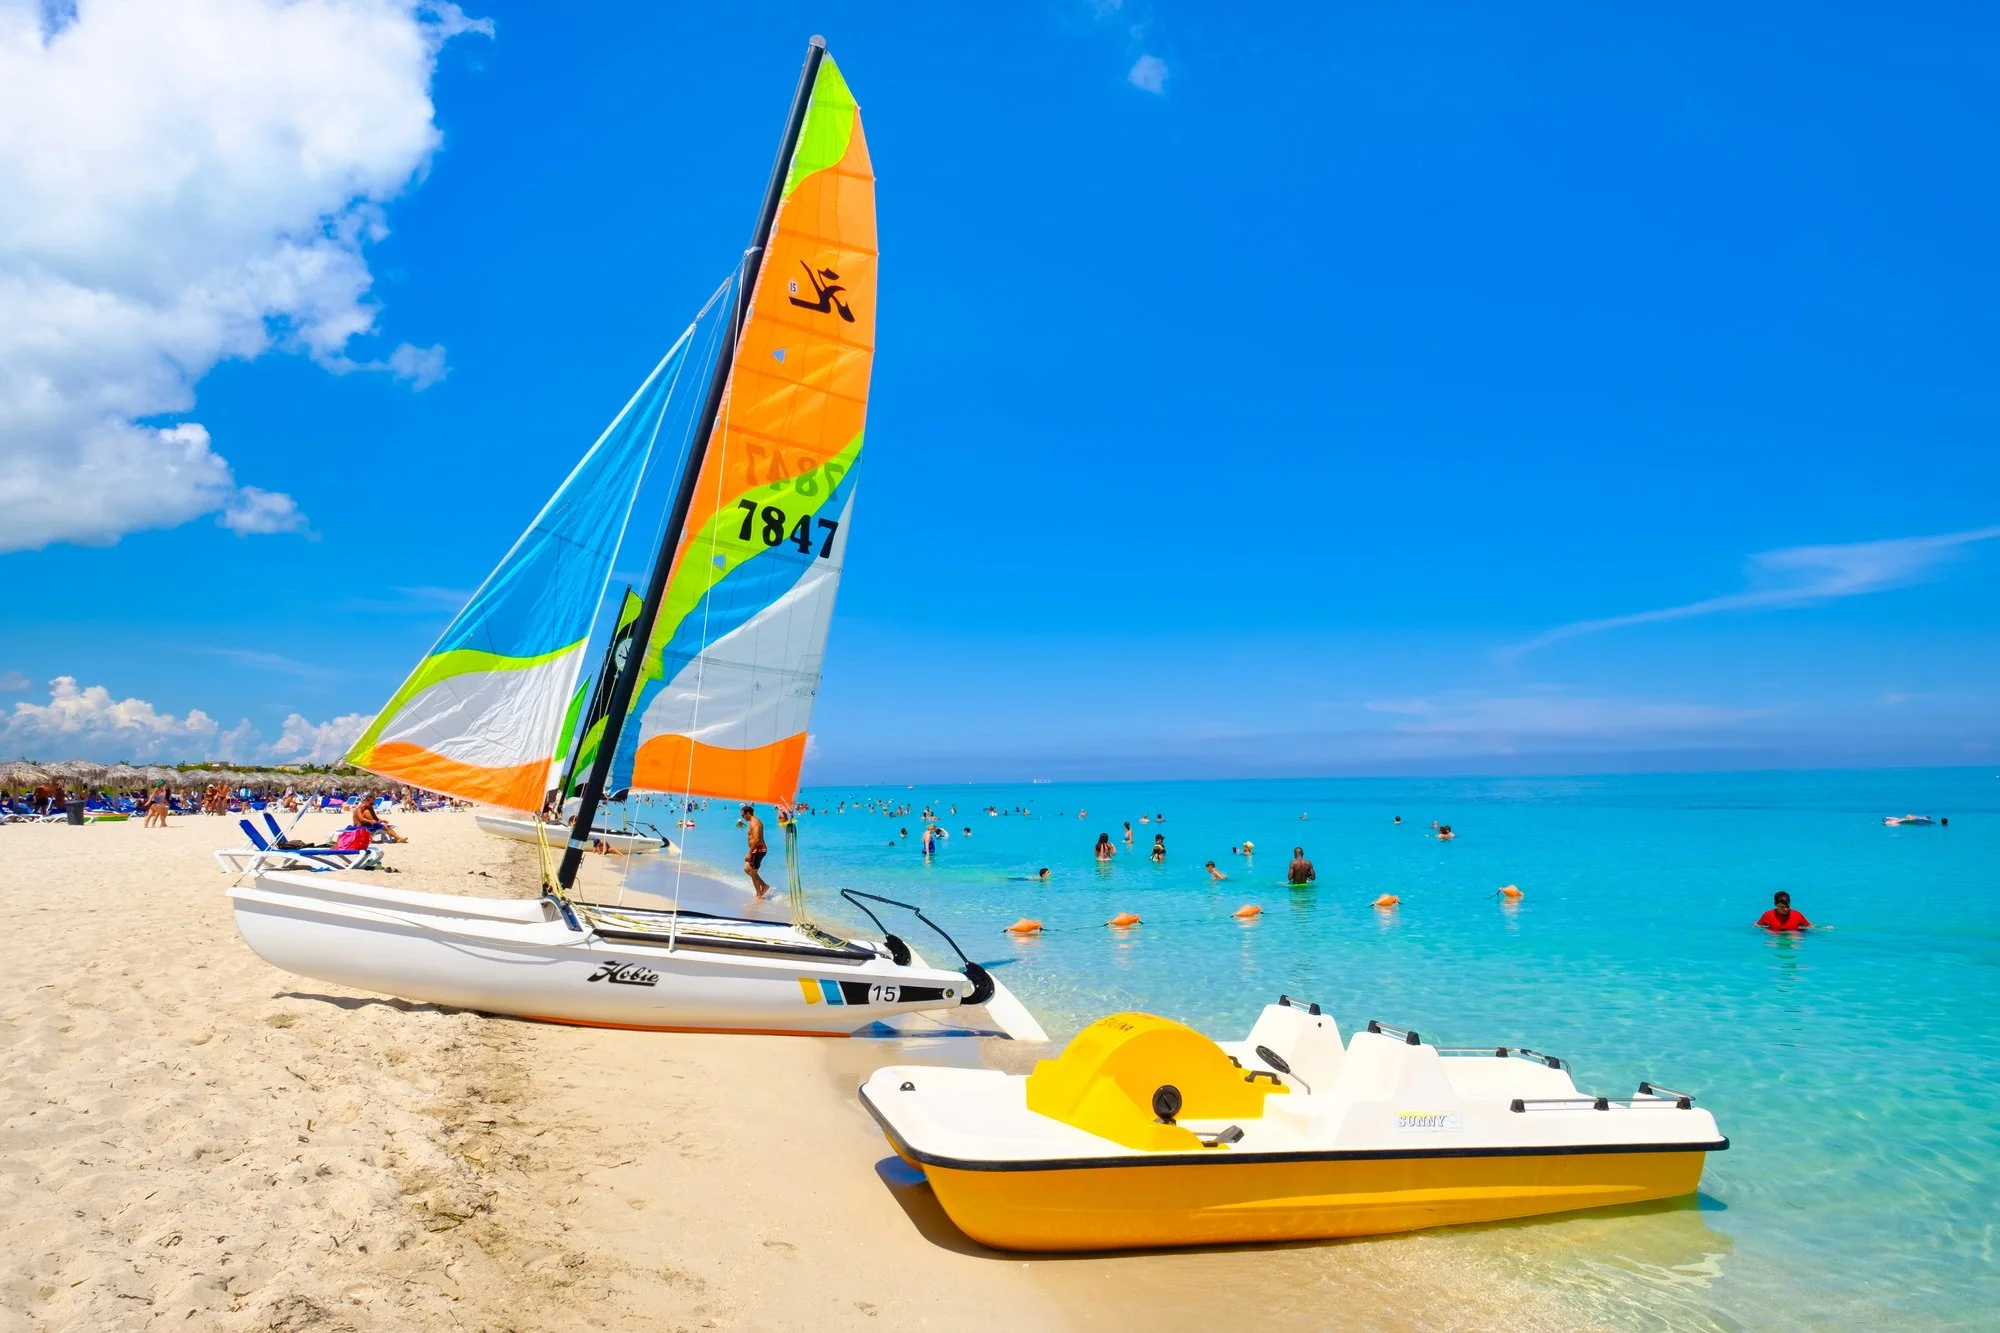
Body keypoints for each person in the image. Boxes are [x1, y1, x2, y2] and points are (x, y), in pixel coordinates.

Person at [742, 803, 772, 898]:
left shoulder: (755, 823)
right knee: (747, 869)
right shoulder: (752, 822)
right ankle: (764, 886)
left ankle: (759, 894)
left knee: (753, 873)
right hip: (756, 850)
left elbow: (757, 839)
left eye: (743, 815)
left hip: (758, 850)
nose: (743, 817)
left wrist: (749, 853)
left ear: (748, 813)